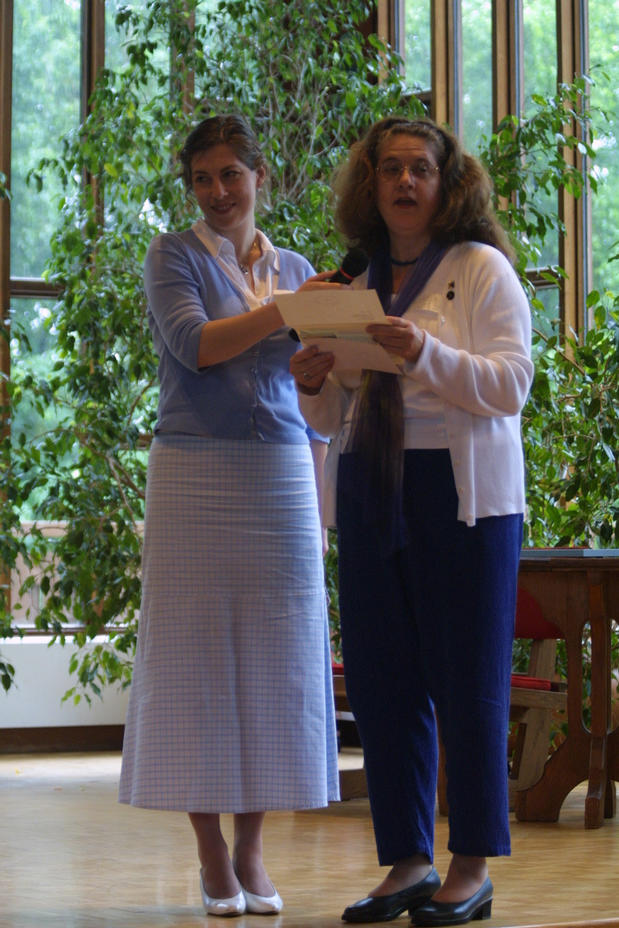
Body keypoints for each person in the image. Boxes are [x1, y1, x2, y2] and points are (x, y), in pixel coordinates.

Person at [290, 116, 534, 927]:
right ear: (370, 184)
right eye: (389, 168)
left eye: (419, 169)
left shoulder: (479, 267)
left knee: (466, 681)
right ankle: (406, 861)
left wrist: (420, 352)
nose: (403, 182)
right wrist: (312, 379)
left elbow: (510, 385)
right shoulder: (353, 277)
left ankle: (471, 865)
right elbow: (332, 413)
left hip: (461, 496)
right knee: (381, 680)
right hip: (370, 482)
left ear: (445, 182)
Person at [119, 114, 340, 918]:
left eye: (230, 176)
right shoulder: (172, 255)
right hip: (192, 470)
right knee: (192, 659)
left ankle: (251, 848)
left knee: (278, 661)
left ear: (259, 177)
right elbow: (196, 345)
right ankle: (210, 850)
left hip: (282, 470)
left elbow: (315, 388)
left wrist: (317, 365)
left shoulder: (296, 268)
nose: (216, 192)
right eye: (201, 179)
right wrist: (287, 314)